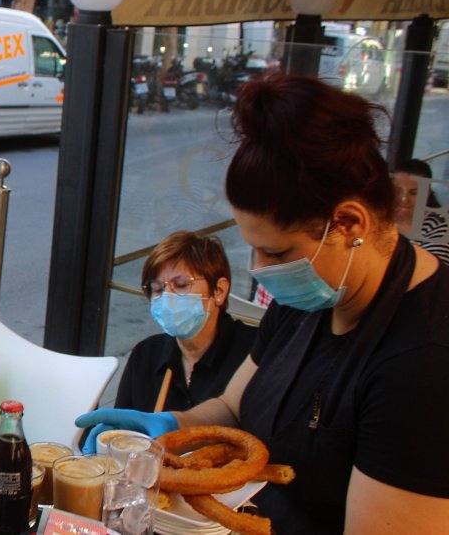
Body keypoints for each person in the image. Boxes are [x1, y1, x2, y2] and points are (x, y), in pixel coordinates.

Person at [77, 73, 449, 533]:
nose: (258, 268)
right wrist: (171, 423)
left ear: (350, 223)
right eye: (252, 248)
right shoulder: (312, 294)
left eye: (276, 253)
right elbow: (235, 408)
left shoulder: (423, 365)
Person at [115, 231, 256, 413]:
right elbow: (119, 433)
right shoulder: (146, 356)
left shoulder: (254, 354)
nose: (167, 297)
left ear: (219, 291)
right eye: (157, 289)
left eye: (181, 285)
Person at [393, 158, 449, 265]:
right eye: (398, 191)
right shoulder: (379, 218)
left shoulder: (439, 228)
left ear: (427, 193)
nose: (404, 199)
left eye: (414, 193)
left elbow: (431, 276)